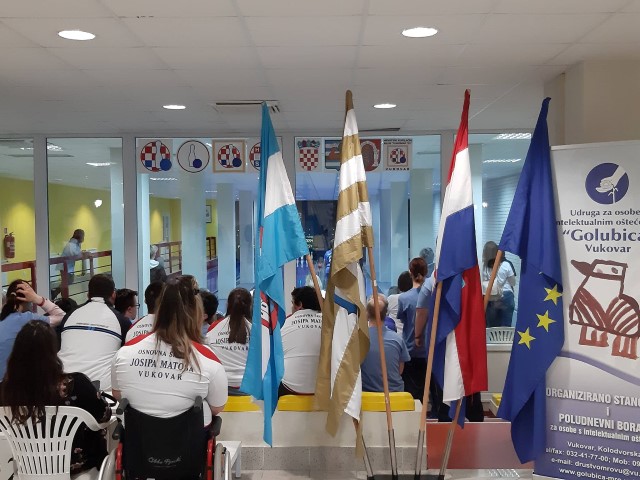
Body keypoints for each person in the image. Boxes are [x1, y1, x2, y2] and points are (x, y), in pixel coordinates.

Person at [112, 275, 227, 426]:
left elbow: (117, 393)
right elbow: (217, 407)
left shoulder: (125, 352)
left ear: (159, 309)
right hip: (187, 439)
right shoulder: (208, 358)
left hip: (137, 439)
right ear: (198, 313)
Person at [1, 321, 111, 477]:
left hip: (27, 469)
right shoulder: (77, 384)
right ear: (53, 351)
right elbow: (104, 415)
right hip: (77, 471)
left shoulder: (6, 390)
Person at [58, 274, 130, 391]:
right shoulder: (122, 321)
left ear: (88, 294)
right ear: (113, 295)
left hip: (64, 386)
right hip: (102, 390)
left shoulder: (69, 315)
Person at [0, 280, 64, 379]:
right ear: (28, 298)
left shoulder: (3, 318)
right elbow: (62, 316)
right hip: (14, 384)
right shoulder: (28, 319)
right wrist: (38, 299)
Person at [205, 288, 251, 395]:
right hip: (249, 389)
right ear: (250, 306)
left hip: (220, 388)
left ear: (227, 304)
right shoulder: (257, 330)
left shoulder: (214, 328)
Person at [361, 294, 410, 393]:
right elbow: (400, 370)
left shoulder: (360, 339)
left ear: (366, 314)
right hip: (395, 394)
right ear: (386, 314)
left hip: (367, 394)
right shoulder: (397, 340)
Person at [280, 286, 322, 396]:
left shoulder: (286, 323)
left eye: (292, 303)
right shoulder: (329, 323)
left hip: (290, 387)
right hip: (324, 388)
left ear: (299, 305)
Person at [397, 257, 429, 401]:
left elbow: (402, 320)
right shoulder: (432, 297)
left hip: (410, 350)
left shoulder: (403, 298)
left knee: (411, 395)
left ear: (410, 272)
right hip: (428, 350)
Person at [482, 241, 516, 327]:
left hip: (491, 298)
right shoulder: (506, 265)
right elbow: (513, 283)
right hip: (507, 296)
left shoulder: (484, 267)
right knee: (506, 328)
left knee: (491, 327)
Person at [52, 229, 85, 299]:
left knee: (67, 281)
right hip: (64, 266)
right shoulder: (71, 244)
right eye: (83, 235)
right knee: (66, 282)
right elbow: (76, 255)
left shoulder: (75, 244)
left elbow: (78, 253)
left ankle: (56, 293)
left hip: (67, 266)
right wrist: (85, 254)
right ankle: (60, 296)